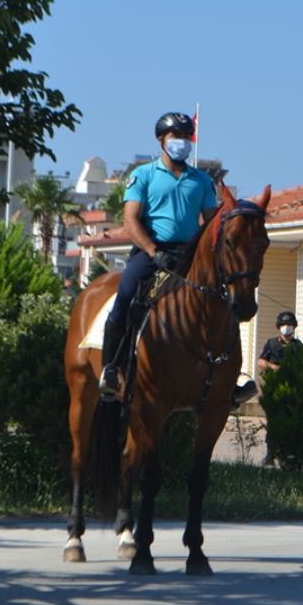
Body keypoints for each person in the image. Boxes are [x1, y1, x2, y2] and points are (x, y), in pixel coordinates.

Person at [99, 111, 220, 400]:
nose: (182, 142)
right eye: (175, 136)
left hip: (188, 254)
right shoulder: (143, 175)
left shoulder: (202, 180)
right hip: (150, 252)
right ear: (161, 140)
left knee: (221, 299)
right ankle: (111, 369)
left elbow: (211, 223)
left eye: (186, 137)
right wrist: (154, 252)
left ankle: (228, 376)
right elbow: (130, 221)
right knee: (125, 295)